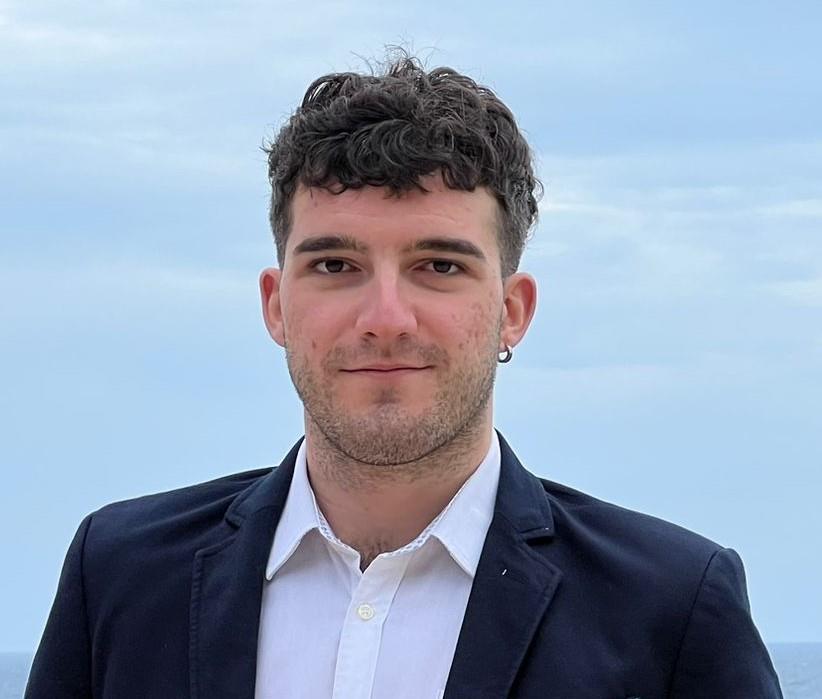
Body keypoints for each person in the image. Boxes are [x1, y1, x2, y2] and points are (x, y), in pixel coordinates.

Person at [26, 54, 782, 699]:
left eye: (439, 266)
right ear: (276, 305)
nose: (385, 318)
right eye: (335, 265)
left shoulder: (671, 608)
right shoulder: (120, 575)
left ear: (512, 311)